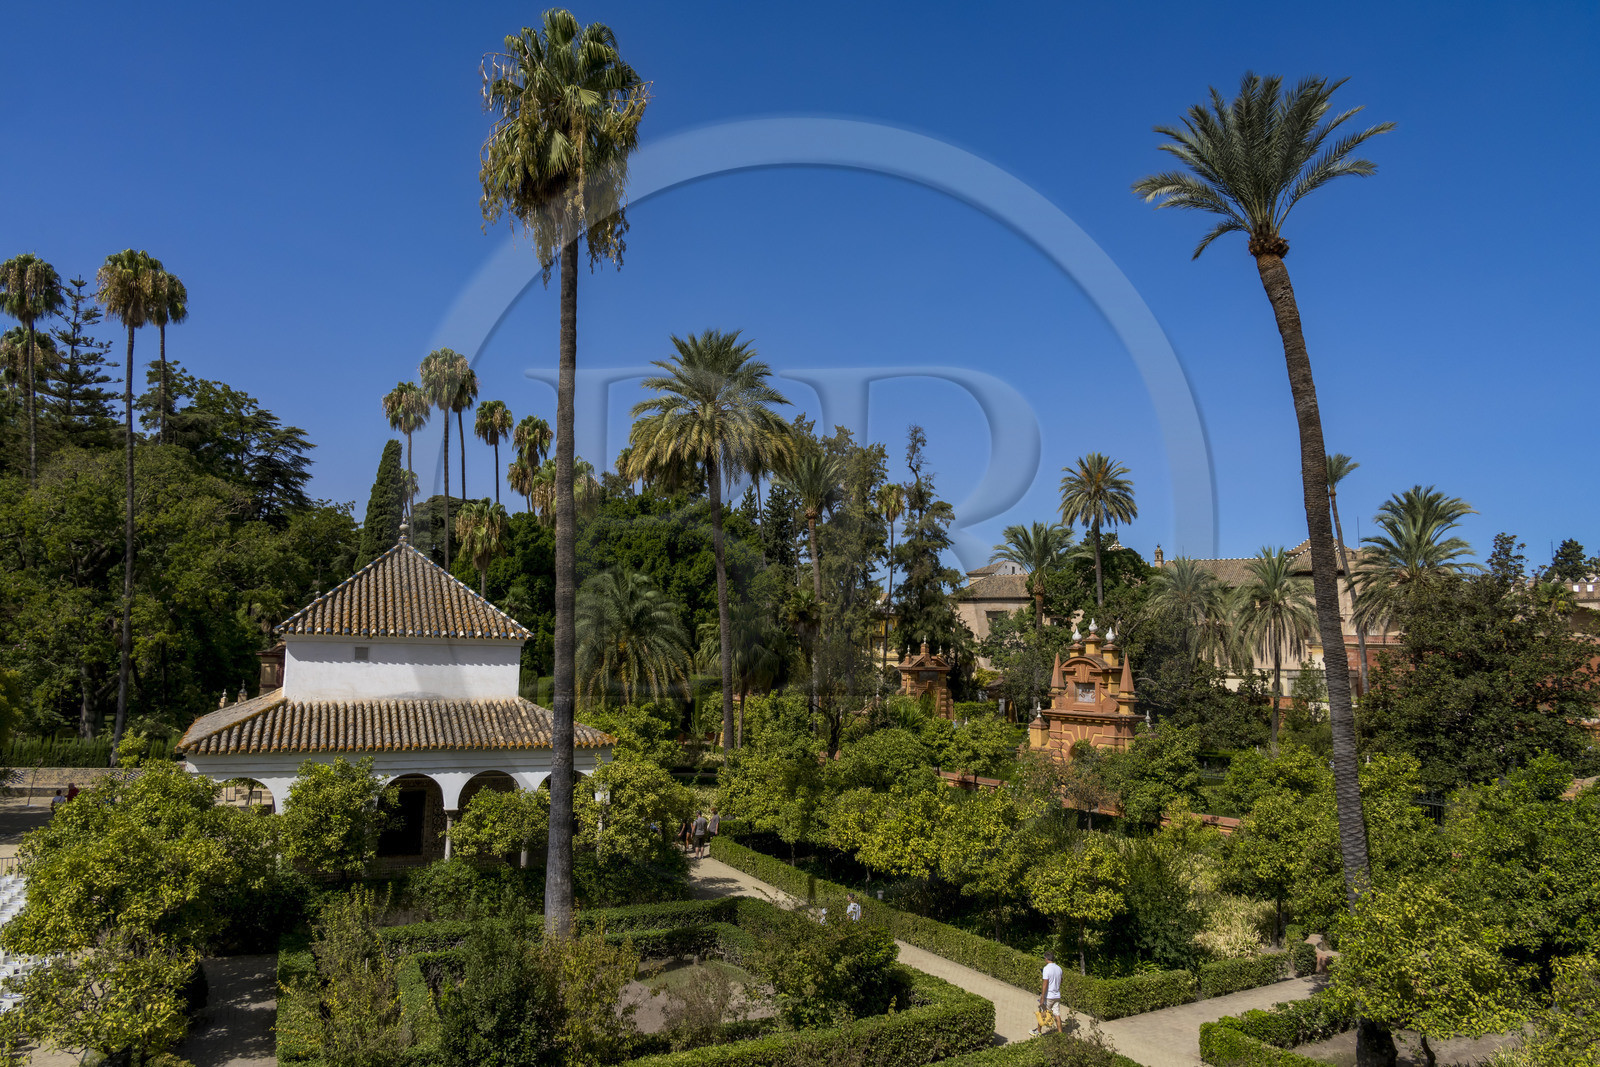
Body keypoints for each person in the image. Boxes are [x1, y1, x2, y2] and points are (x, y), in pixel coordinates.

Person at [1037, 951, 1064, 1035]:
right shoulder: (1059, 968)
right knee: (1057, 1014)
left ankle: (1038, 1031)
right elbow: (1061, 980)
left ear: (1046, 959)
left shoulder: (1046, 968)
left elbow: (1045, 983)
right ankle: (1060, 1034)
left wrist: (1042, 997)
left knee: (1043, 1012)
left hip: (1049, 996)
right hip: (1057, 995)